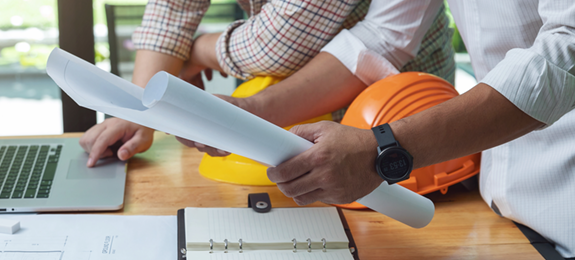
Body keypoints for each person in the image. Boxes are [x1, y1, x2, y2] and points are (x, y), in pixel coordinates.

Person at [266, 0, 575, 257]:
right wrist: (251, 108)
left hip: (565, 214)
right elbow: (385, 33)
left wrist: (380, 151)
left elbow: (567, 46)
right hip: (503, 212)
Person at [80, 0, 455, 167]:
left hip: (393, 114)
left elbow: (276, 44)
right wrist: (143, 111)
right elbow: (172, 8)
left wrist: (198, 50)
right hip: (292, 106)